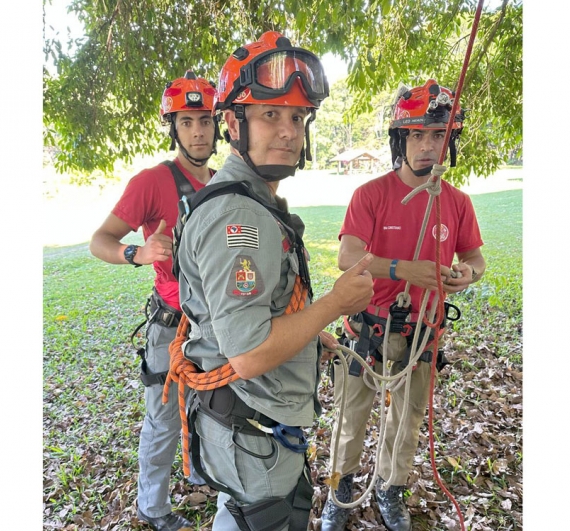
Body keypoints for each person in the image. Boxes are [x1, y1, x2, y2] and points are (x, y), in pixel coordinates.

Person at [173, 31, 374, 531]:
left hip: (244, 427)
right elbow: (249, 353)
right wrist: (334, 304)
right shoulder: (239, 218)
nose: (288, 131)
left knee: (240, 512)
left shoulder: (248, 200)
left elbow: (254, 314)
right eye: (270, 114)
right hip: (253, 431)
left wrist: (311, 333)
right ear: (232, 123)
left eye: (298, 117)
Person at [320, 79, 487, 531]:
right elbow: (348, 256)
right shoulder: (370, 195)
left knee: (407, 421)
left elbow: (475, 257)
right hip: (368, 332)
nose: (428, 146)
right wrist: (403, 270)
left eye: (437, 135)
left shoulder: (456, 203)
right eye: (417, 135)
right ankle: (340, 490)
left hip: (422, 336)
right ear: (401, 139)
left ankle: (392, 490)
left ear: (448, 141)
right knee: (350, 420)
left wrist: (468, 273)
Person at [88, 70, 220, 531]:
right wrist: (138, 253)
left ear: (218, 123)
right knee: (163, 419)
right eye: (187, 122)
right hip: (172, 326)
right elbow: (99, 240)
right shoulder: (151, 182)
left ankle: (201, 473)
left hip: (218, 325)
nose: (198, 131)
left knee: (213, 410)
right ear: (174, 127)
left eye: (205, 119)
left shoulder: (226, 184)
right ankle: (153, 507)